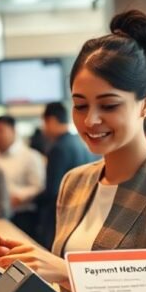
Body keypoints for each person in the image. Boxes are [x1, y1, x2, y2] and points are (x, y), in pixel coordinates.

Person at [0, 10, 146, 292]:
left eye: (109, 105)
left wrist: (67, 271)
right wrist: (23, 278)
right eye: (80, 105)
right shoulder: (75, 182)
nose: (90, 120)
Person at [34, 101, 96, 248]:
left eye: (44, 123)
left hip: (60, 217)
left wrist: (32, 200)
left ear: (51, 121)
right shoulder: (80, 142)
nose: (44, 128)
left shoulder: (58, 148)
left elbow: (52, 190)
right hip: (83, 212)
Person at [0, 114, 45, 233]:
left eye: (0, 131)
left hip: (22, 215)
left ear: (13, 131)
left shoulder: (30, 156)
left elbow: (38, 186)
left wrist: (20, 196)